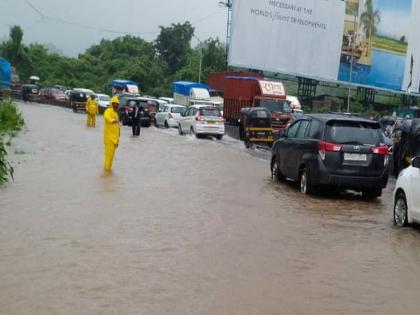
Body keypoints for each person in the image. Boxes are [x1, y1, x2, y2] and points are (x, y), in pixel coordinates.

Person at [103, 96, 120, 171]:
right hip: (109, 139)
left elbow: (117, 126)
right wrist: (112, 120)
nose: (116, 105)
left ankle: (108, 170)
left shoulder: (116, 113)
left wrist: (118, 136)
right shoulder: (108, 110)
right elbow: (106, 117)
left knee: (112, 157)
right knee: (108, 157)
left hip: (115, 139)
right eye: (114, 103)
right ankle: (106, 172)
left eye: (117, 104)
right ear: (111, 103)